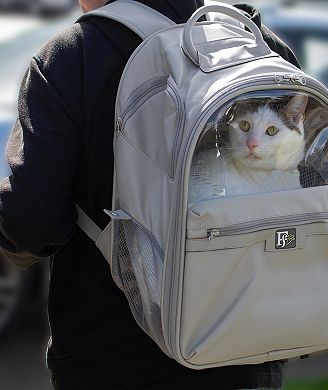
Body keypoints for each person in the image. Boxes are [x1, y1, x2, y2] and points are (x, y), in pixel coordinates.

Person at [0, 1, 300, 389]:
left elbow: (31, 224)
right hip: (249, 347)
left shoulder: (72, 58)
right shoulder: (255, 46)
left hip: (113, 358)